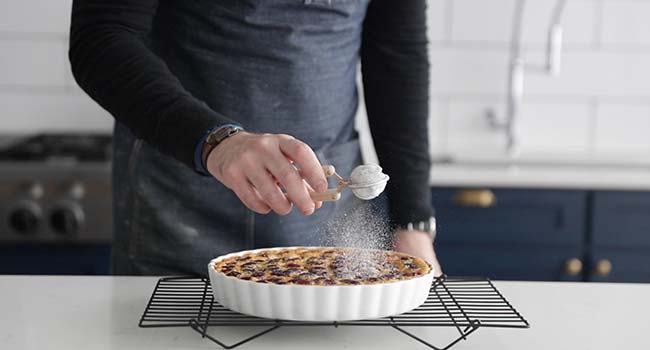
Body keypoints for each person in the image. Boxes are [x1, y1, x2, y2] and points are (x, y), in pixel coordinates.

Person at [69, 0, 442, 276]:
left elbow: (397, 56)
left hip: (323, 209)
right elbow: (101, 36)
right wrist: (218, 142)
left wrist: (412, 223)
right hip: (177, 202)